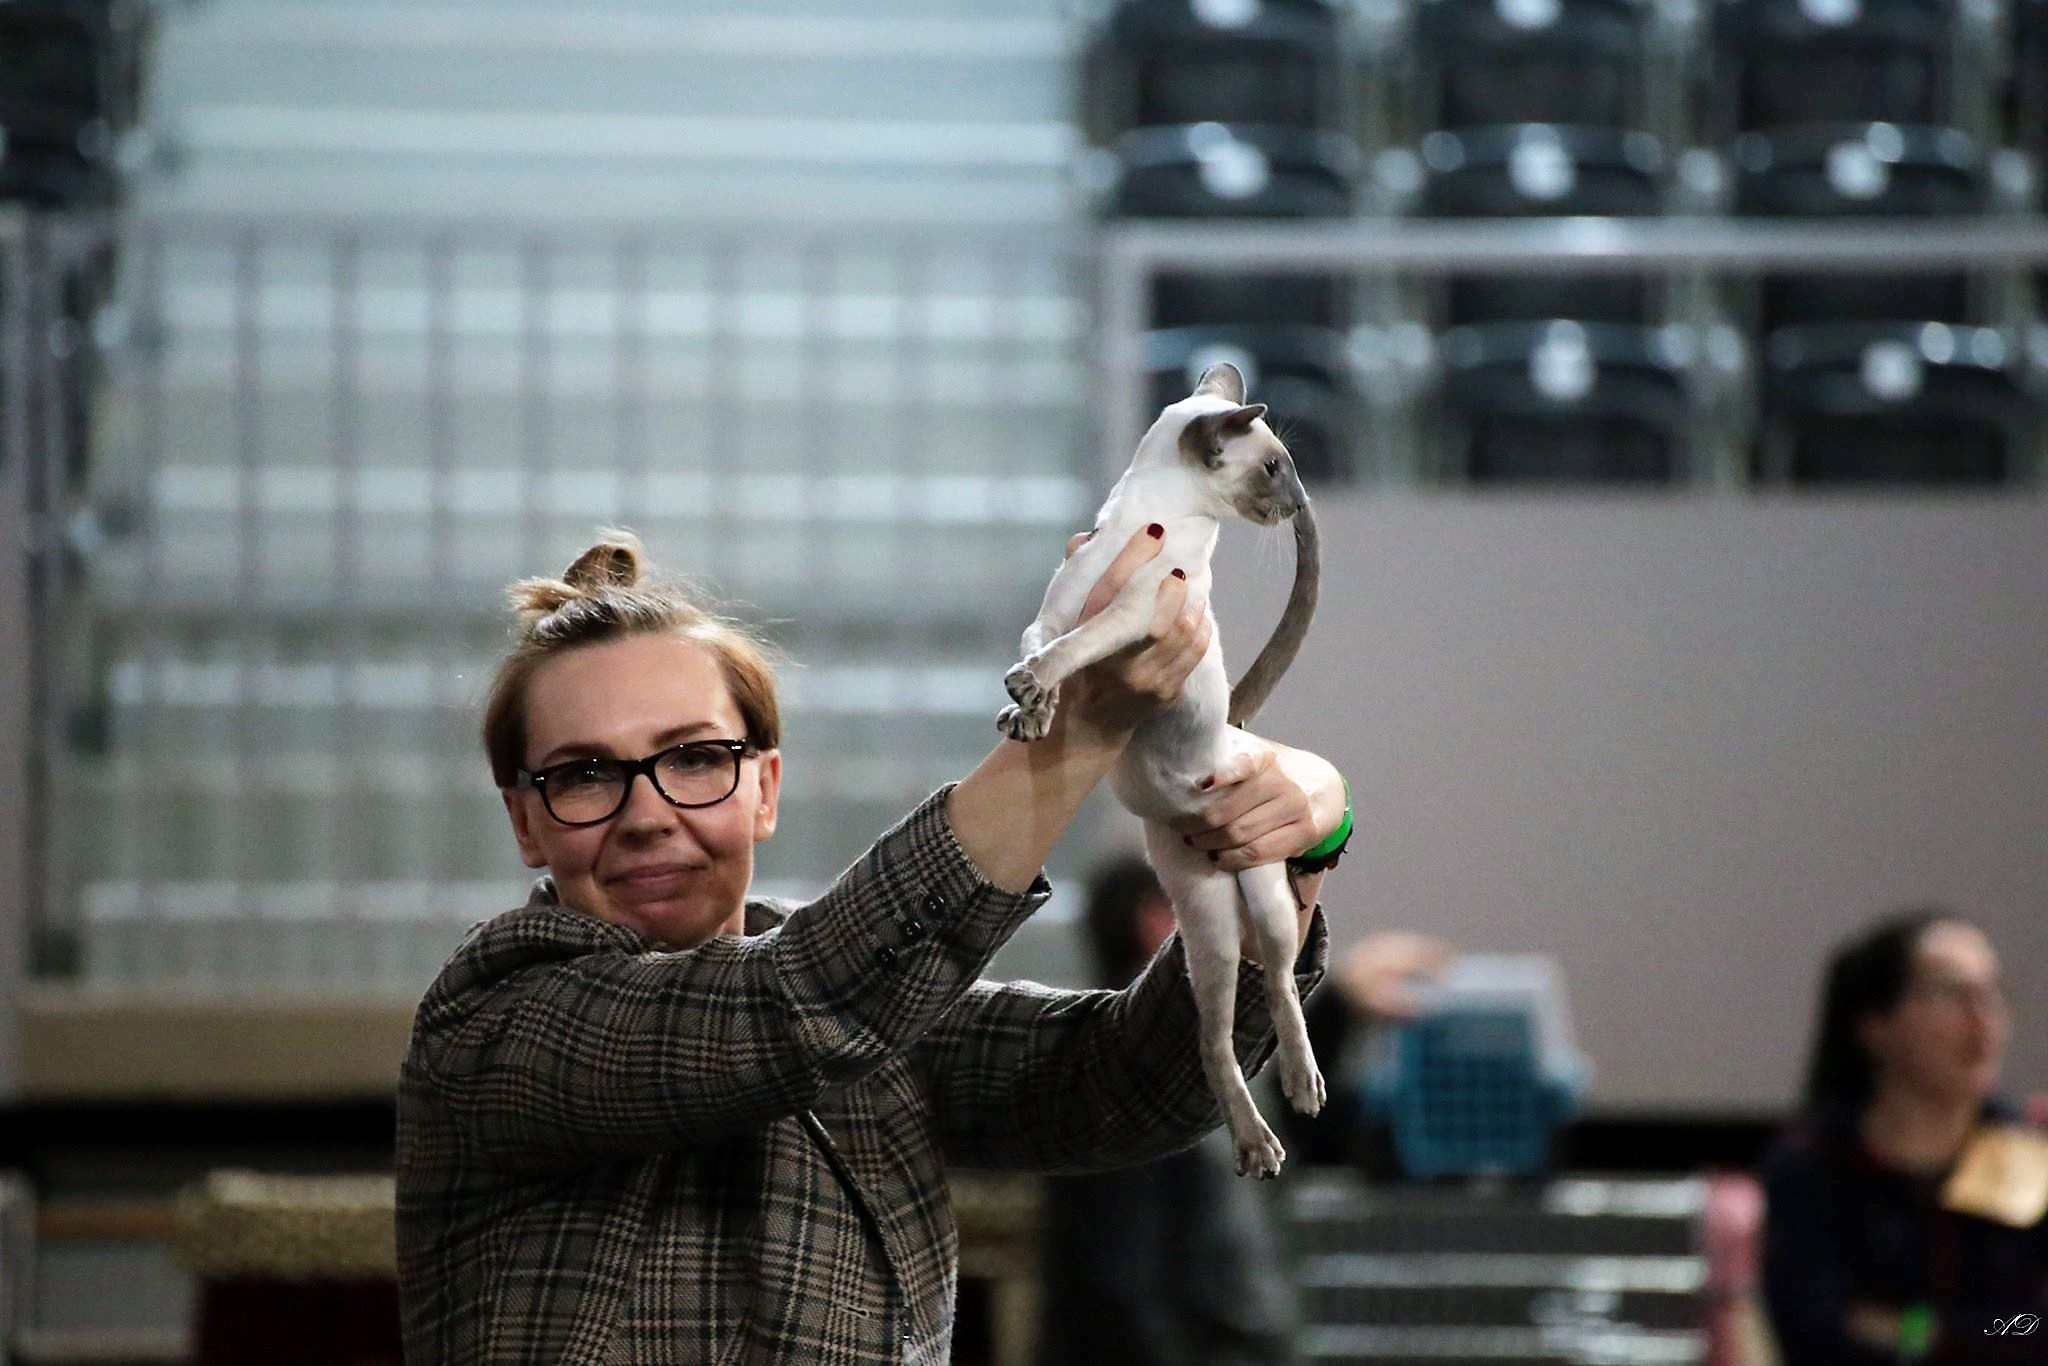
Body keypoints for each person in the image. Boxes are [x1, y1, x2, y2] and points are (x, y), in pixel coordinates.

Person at [394, 526, 1356, 1366]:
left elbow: (1132, 1083)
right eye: (584, 775)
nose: (646, 814)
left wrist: (1284, 852)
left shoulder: (872, 1011)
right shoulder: (490, 1017)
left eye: (695, 758)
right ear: (525, 823)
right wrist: (1076, 726)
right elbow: (798, 1004)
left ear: (765, 788)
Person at [1034, 855, 1457, 1366]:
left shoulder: (1187, 1062)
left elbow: (1285, 1132)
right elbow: (1117, 1290)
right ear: (1162, 922)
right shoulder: (1128, 1077)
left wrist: (1338, 1007)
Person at [1761, 908, 2047, 1364]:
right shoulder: (1814, 1163)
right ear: (1876, 1025)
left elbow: (2033, 1328)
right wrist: (1977, 1333)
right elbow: (1814, 1330)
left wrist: (1917, 1331)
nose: (1982, 1018)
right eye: (1951, 993)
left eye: (1991, 993)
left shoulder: (2031, 1150)